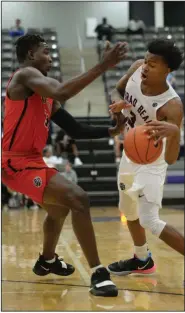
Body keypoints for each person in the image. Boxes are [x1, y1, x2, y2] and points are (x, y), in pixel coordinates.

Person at [2, 34, 128, 297]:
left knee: (58, 210)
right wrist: (102, 66)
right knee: (78, 198)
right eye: (45, 52)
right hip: (14, 163)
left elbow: (76, 130)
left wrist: (111, 132)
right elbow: (61, 90)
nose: (50, 56)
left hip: (32, 162)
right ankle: (99, 272)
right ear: (29, 55)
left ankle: (47, 261)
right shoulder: (24, 76)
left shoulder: (47, 97)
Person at [107, 39, 184, 276]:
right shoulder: (137, 68)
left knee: (149, 220)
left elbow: (170, 159)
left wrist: (175, 134)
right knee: (128, 211)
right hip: (131, 150)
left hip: (152, 160)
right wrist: (121, 110)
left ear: (167, 71)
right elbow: (117, 90)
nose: (146, 67)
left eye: (153, 64)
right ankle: (141, 260)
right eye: (146, 60)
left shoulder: (171, 106)